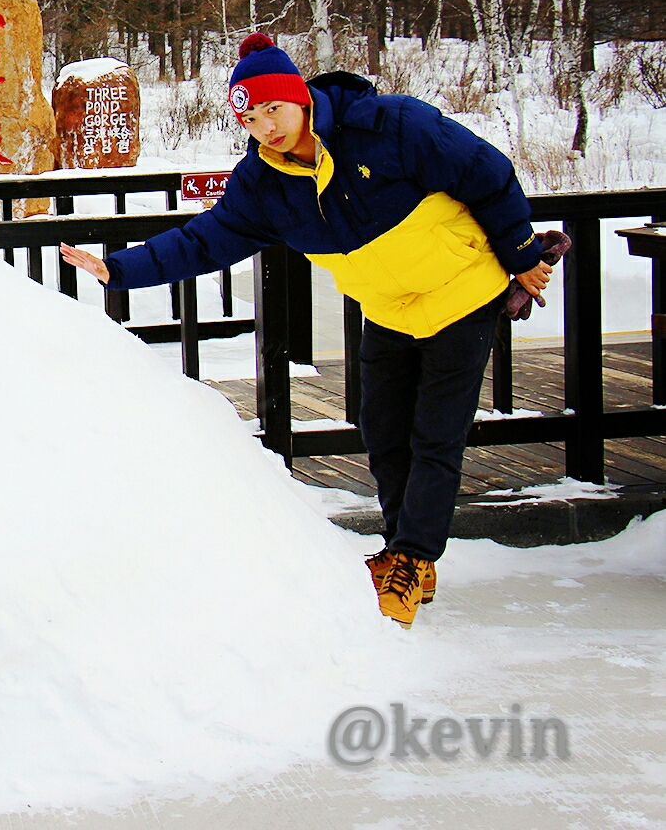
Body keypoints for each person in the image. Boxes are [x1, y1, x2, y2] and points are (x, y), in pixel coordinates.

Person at [60, 33, 553, 627]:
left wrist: (521, 251)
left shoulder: (389, 126)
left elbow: (486, 172)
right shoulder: (263, 185)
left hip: (463, 291)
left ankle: (412, 556)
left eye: (275, 108)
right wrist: (119, 268)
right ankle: (406, 555)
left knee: (435, 432)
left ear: (300, 97)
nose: (267, 126)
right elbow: (204, 241)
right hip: (390, 307)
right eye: (251, 115)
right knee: (382, 427)